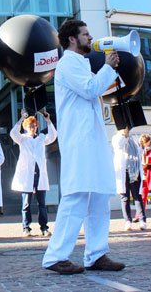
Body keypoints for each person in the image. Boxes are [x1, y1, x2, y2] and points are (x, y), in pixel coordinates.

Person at [42, 19, 124, 275]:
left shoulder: (83, 64)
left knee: (99, 195)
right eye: (86, 34)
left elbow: (101, 88)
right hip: (78, 140)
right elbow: (90, 90)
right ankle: (56, 255)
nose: (91, 38)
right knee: (76, 196)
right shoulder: (66, 64)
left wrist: (113, 73)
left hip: (94, 139)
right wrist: (108, 69)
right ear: (72, 40)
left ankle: (96, 253)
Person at [10, 109, 57, 237]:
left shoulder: (41, 138)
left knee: (42, 204)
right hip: (27, 175)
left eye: (34, 126)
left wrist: (48, 120)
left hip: (39, 174)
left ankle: (44, 227)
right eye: (30, 126)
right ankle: (26, 227)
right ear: (26, 127)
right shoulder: (23, 139)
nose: (32, 128)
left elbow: (53, 136)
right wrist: (21, 119)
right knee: (26, 203)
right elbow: (13, 133)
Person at [112, 127, 146, 231]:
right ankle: (128, 221)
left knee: (137, 196)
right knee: (125, 197)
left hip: (134, 171)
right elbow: (119, 145)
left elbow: (138, 153)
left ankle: (142, 220)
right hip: (124, 172)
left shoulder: (133, 138)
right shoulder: (117, 138)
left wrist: (141, 147)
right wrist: (124, 135)